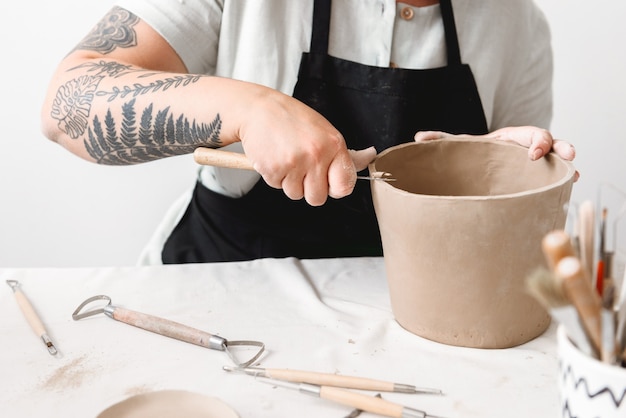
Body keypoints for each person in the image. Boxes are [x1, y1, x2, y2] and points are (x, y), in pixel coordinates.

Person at [41, 0, 576, 263]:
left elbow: (518, 253)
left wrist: (504, 186)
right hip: (222, 288)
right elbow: (66, 104)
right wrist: (249, 108)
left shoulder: (520, 25)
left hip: (409, 313)